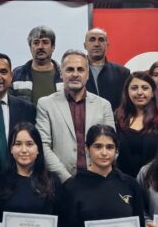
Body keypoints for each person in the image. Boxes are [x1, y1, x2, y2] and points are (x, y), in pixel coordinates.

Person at [36, 50, 116, 183]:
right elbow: (43, 146)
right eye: (69, 69)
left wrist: (97, 174)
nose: (75, 74)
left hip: (97, 181)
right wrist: (66, 180)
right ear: (61, 73)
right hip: (60, 183)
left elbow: (112, 145)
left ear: (87, 74)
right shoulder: (46, 104)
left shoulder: (103, 105)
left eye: (80, 69)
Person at [115, 71, 158, 179]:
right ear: (127, 92)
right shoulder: (117, 118)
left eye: (145, 88)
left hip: (156, 182)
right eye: (134, 88)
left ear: (153, 93)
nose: (139, 92)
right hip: (122, 183)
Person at [12, 26, 62, 105]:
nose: (40, 47)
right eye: (36, 42)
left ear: (53, 47)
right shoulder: (17, 74)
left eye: (45, 42)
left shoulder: (64, 75)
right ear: (30, 47)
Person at [84, 28, 130, 111]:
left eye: (101, 40)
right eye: (92, 40)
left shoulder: (122, 73)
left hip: (114, 119)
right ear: (85, 45)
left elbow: (127, 103)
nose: (97, 44)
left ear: (107, 45)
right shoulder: (76, 73)